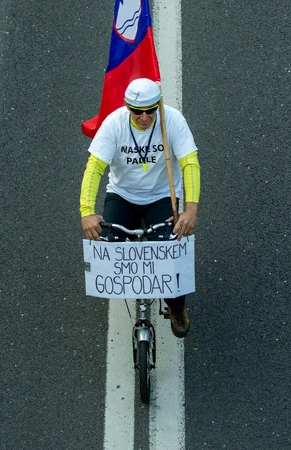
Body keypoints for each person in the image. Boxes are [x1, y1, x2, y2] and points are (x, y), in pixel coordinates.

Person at [80, 78, 201, 338]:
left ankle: (176, 306)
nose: (145, 118)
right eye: (137, 112)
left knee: (170, 252)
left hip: (161, 196)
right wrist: (86, 212)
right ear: (127, 107)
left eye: (150, 111)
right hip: (122, 196)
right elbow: (94, 168)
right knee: (108, 245)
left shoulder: (173, 120)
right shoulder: (113, 123)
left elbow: (190, 164)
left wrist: (190, 209)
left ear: (158, 105)